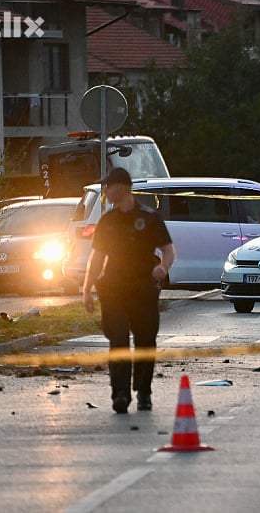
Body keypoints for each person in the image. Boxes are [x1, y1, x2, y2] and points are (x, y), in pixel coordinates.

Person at [82, 167, 175, 414]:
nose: (105, 190)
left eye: (108, 186)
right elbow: (96, 257)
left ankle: (144, 391)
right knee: (118, 340)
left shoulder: (150, 217)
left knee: (146, 340)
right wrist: (87, 288)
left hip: (143, 289)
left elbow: (168, 250)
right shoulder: (107, 221)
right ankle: (120, 394)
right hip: (114, 289)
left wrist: (163, 267)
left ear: (122, 187)